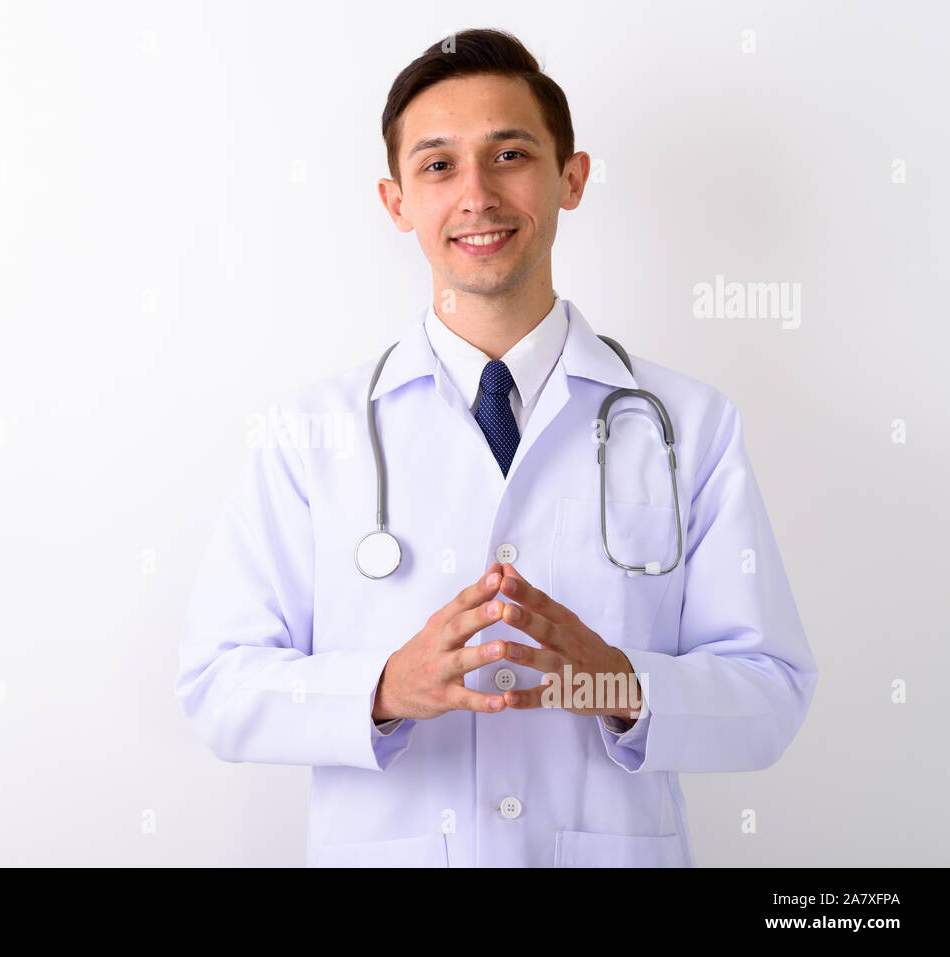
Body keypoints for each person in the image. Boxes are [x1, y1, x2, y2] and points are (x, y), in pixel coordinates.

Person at [175, 28, 817, 867]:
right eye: (439, 165)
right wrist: (383, 688)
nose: (476, 194)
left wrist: (621, 683)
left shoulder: (689, 424)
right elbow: (217, 685)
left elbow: (771, 690)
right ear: (397, 202)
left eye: (510, 155)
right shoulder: (310, 434)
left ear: (571, 178)